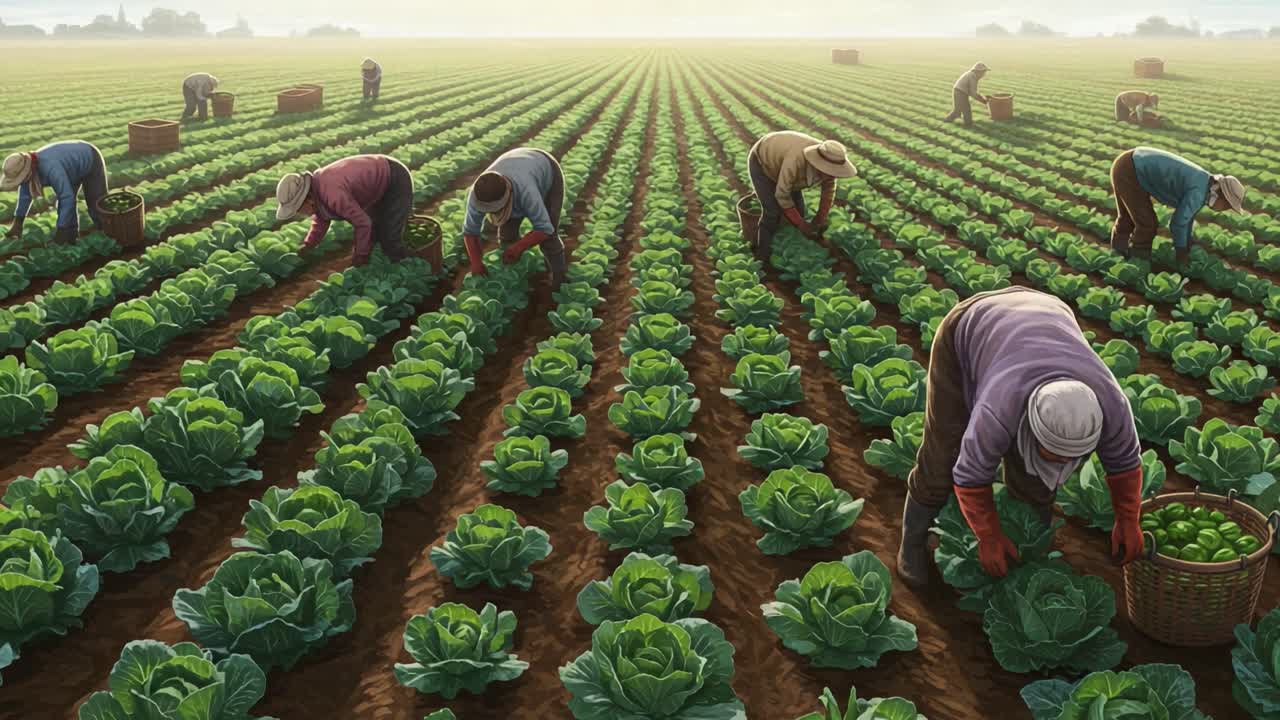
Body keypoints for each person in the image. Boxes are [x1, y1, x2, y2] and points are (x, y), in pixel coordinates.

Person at [895, 286, 1145, 590]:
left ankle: (1026, 545)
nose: (1065, 464)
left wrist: (1129, 519)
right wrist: (987, 536)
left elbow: (1126, 465)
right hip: (969, 327)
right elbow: (970, 475)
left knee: (1036, 482)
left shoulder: (1113, 406)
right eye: (1053, 453)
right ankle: (912, 545)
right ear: (1029, 425)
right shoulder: (999, 407)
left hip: (1048, 311)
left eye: (1072, 458)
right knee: (942, 458)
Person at [1110, 146, 1246, 266]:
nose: (1224, 210)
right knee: (1147, 223)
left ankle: (1117, 253)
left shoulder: (1204, 184)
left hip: (1128, 162)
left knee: (1127, 217)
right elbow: (1178, 223)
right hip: (1130, 170)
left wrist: (1186, 245)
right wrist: (1182, 252)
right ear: (1220, 195)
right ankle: (1138, 262)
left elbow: (1187, 219)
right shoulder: (1198, 192)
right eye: (1227, 206)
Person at [275, 154, 413, 267]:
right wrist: (308, 245)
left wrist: (360, 255)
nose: (299, 214)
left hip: (394, 177)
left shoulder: (332, 192)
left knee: (389, 237)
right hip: (377, 184)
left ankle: (407, 268)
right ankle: (383, 268)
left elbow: (363, 223)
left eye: (298, 209)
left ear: (307, 200)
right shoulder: (317, 192)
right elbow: (321, 221)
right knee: (375, 234)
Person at [463, 147, 567, 289]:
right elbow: (470, 232)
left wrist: (519, 247)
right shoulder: (478, 194)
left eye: (497, 209)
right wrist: (476, 263)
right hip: (517, 166)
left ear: (508, 196)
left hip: (546, 169)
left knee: (550, 239)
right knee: (507, 236)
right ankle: (513, 272)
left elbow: (545, 229)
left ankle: (559, 278)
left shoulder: (527, 191)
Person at [746, 131, 857, 261]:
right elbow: (782, 194)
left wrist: (820, 219)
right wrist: (801, 225)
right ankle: (762, 252)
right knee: (772, 212)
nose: (831, 175)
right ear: (819, 164)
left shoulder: (829, 162)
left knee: (799, 210)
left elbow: (828, 192)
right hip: (763, 161)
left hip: (788, 169)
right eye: (828, 170)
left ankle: (793, 247)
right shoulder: (795, 160)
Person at [1, 141, 109, 244]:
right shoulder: (29, 173)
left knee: (95, 202)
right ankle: (70, 238)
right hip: (70, 167)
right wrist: (18, 223)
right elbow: (25, 195)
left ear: (28, 171)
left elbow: (67, 198)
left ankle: (108, 232)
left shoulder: (51, 167)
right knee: (65, 207)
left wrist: (61, 230)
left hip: (90, 158)